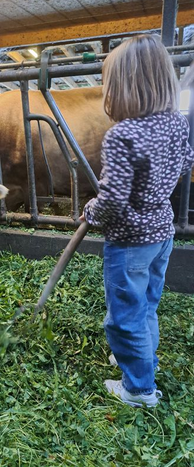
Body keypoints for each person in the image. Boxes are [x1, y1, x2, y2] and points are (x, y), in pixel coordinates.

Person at [82, 34, 194, 407]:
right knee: (146, 303)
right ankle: (141, 356)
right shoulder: (177, 124)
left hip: (129, 242)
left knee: (124, 315)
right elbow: (187, 162)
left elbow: (111, 199)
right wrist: (157, 187)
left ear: (122, 87)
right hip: (162, 234)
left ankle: (138, 389)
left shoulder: (122, 135)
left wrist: (92, 211)